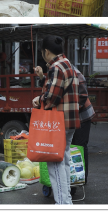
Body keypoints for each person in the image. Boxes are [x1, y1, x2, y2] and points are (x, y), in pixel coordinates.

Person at [32, 35, 80, 205]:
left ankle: (63, 204)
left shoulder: (56, 67)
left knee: (55, 164)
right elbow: (58, 88)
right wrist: (43, 77)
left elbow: (52, 97)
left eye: (42, 53)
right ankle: (66, 201)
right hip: (70, 120)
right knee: (64, 162)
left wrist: (39, 99)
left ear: (46, 52)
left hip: (58, 123)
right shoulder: (67, 64)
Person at [70, 67, 92, 185]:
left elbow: (82, 96)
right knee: (72, 146)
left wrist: (70, 110)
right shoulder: (57, 69)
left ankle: (82, 179)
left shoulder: (73, 71)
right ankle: (74, 179)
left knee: (80, 146)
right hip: (72, 117)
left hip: (82, 116)